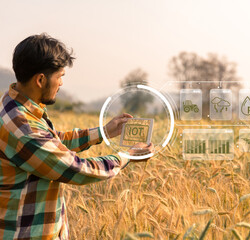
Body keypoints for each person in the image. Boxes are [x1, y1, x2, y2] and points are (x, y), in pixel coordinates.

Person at [0, 33, 154, 240]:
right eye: (60, 76)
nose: (61, 83)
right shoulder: (23, 128)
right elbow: (76, 168)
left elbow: (50, 144)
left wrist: (103, 132)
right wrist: (127, 156)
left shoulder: (13, 105)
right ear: (40, 80)